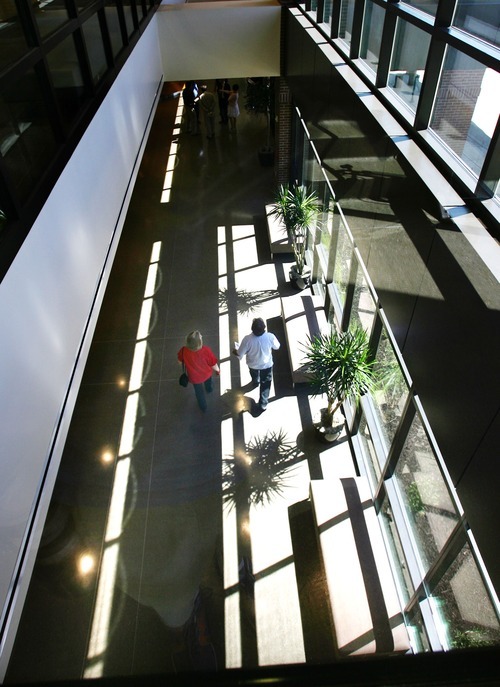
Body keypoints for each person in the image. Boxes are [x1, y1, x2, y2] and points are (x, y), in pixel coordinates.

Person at [233, 318, 280, 413]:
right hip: (266, 365)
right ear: (264, 328)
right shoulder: (270, 336)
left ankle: (255, 382)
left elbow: (240, 354)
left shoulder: (247, 339)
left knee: (255, 376)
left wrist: (235, 351)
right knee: (265, 384)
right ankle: (263, 404)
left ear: (252, 329)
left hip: (253, 365)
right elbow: (277, 346)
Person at [178, 331, 219, 411]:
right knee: (208, 382)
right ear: (199, 343)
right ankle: (209, 389)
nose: (202, 336)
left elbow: (179, 362)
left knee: (199, 392)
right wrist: (218, 370)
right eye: (201, 337)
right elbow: (213, 364)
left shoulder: (183, 350)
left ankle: (203, 407)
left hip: (194, 378)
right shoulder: (206, 350)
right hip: (206, 374)